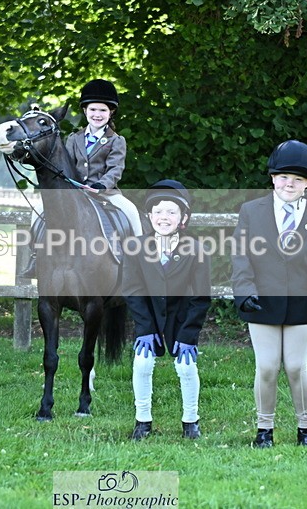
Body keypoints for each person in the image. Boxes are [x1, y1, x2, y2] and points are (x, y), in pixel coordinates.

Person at [230, 140, 307, 448]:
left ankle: (306, 428)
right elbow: (241, 254)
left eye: (298, 179)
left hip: (303, 301)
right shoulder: (251, 211)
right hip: (262, 298)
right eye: (283, 177)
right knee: (266, 366)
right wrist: (244, 290)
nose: (289, 183)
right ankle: (264, 429)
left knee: (294, 366)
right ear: (272, 178)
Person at [21, 79, 142, 278]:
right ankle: (35, 257)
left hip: (105, 194)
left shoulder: (116, 140)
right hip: (75, 194)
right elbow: (65, 166)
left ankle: (138, 262)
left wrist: (101, 185)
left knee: (131, 212)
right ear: (85, 111)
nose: (97, 114)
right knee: (39, 211)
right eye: (93, 109)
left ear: (111, 112)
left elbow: (115, 169)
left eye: (102, 110)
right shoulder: (74, 138)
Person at [122, 180, 211, 440]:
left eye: (172, 212)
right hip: (148, 320)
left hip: (181, 321)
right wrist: (145, 328)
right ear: (149, 216)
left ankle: (191, 421)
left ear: (183, 217)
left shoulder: (196, 250)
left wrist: (188, 335)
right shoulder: (136, 247)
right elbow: (133, 290)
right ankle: (143, 421)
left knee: (186, 367)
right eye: (158, 211)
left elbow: (200, 297)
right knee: (142, 363)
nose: (164, 217)